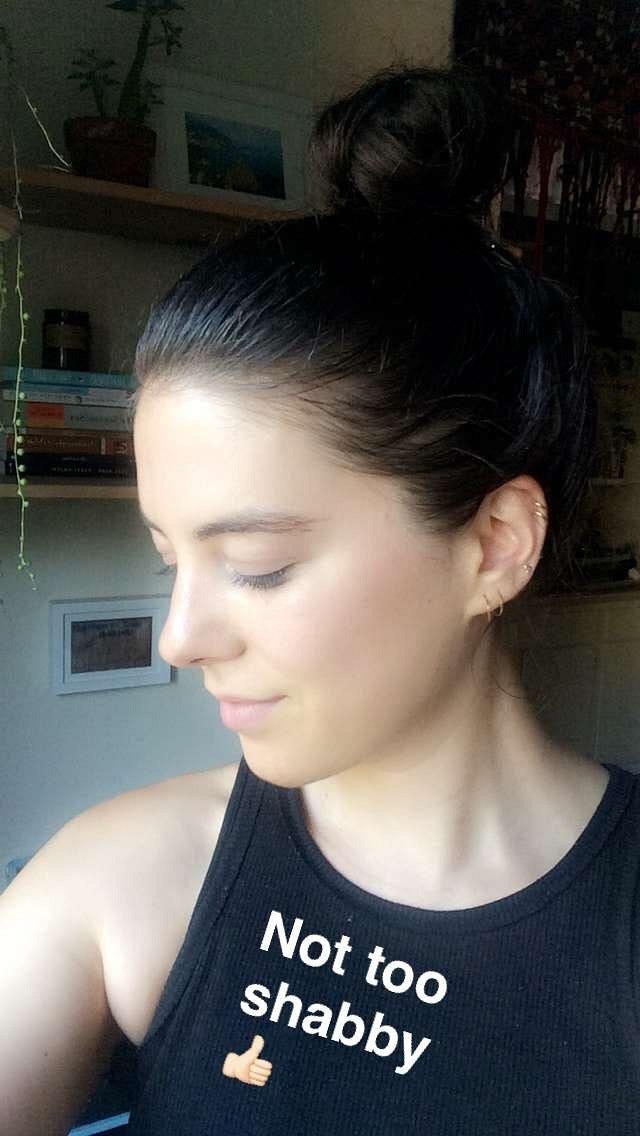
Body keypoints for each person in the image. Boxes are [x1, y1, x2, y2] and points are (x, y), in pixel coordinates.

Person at [2, 63, 639, 1136]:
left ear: (493, 546)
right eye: (168, 559)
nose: (180, 637)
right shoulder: (131, 874)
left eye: (256, 563)